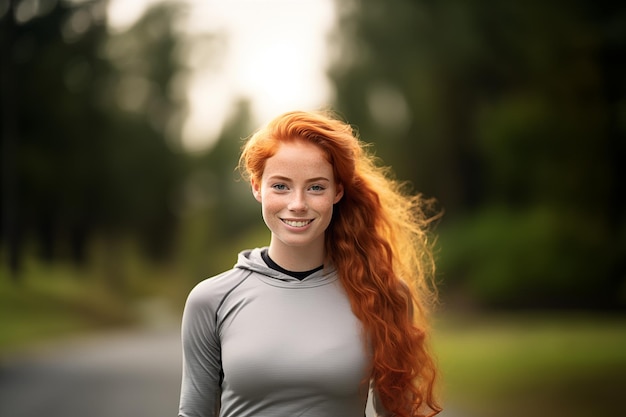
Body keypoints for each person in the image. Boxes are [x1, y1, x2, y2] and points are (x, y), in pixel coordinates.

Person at [178, 110, 442, 417]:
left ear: (337, 191)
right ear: (257, 187)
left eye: (316, 187)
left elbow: (396, 413)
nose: (298, 204)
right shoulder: (210, 300)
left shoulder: (385, 295)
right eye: (281, 186)